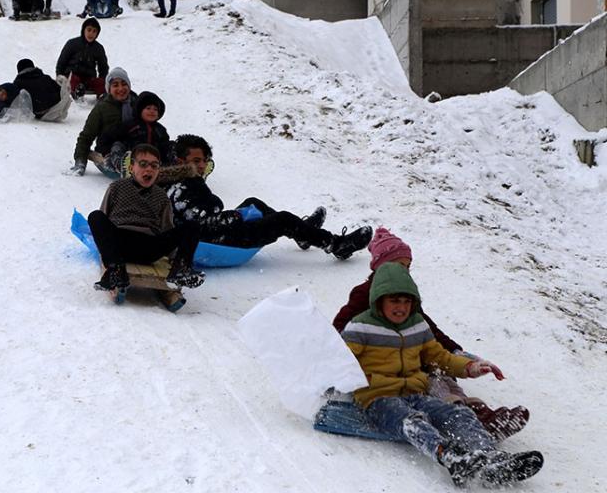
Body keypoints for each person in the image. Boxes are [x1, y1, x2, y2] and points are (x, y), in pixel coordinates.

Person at [341, 262, 543, 486]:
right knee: (412, 421)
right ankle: (451, 457)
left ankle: (489, 459)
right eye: (394, 301)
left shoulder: (417, 325)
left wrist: (470, 367)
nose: (401, 307)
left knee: (458, 414)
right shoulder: (360, 328)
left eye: (407, 301)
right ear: (379, 300)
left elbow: (440, 357)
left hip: (415, 393)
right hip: (378, 398)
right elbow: (338, 360)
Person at [332, 228, 529, 441]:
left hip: (409, 352)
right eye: (399, 265)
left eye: (408, 266)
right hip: (382, 360)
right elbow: (340, 327)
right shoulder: (366, 293)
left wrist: (457, 351)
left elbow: (428, 329)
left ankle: (480, 414)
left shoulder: (406, 295)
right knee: (433, 380)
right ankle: (465, 418)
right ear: (381, 266)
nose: (405, 271)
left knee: (442, 370)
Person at [165, 134, 372, 259]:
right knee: (282, 220)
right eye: (196, 160)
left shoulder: (186, 181)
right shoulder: (183, 188)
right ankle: (336, 245)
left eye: (204, 160)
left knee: (253, 203)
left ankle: (303, 232)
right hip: (216, 242)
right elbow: (200, 224)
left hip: (216, 235)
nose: (201, 165)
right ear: (180, 160)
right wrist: (235, 217)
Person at [88, 144, 205, 292]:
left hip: (150, 247)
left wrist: (172, 257)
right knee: (96, 217)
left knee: (193, 225)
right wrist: (106, 247)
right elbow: (104, 216)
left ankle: (180, 270)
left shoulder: (162, 197)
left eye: (154, 166)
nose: (148, 169)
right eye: (143, 164)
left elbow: (167, 228)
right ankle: (116, 271)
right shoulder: (117, 187)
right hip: (120, 242)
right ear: (131, 168)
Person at [68, 67, 137, 176]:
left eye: (124, 84)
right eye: (115, 85)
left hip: (133, 149)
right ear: (109, 89)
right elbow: (86, 136)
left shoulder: (136, 103)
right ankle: (123, 167)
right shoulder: (102, 108)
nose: (121, 88)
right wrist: (80, 160)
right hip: (107, 153)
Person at [94, 91, 172, 174]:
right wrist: (104, 151)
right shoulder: (130, 125)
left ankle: (163, 168)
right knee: (118, 145)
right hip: (130, 157)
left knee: (169, 147)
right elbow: (107, 136)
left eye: (155, 109)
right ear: (140, 110)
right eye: (148, 108)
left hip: (150, 160)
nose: (152, 111)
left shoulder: (160, 130)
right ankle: (123, 167)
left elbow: (164, 145)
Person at [55, 17, 109, 99]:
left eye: (94, 31)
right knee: (73, 79)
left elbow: (103, 67)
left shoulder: (98, 48)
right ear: (84, 30)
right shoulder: (72, 44)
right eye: (89, 30)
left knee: (101, 82)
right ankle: (76, 91)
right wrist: (59, 77)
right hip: (72, 76)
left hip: (89, 78)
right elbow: (62, 61)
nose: (91, 34)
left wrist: (103, 81)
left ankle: (102, 95)